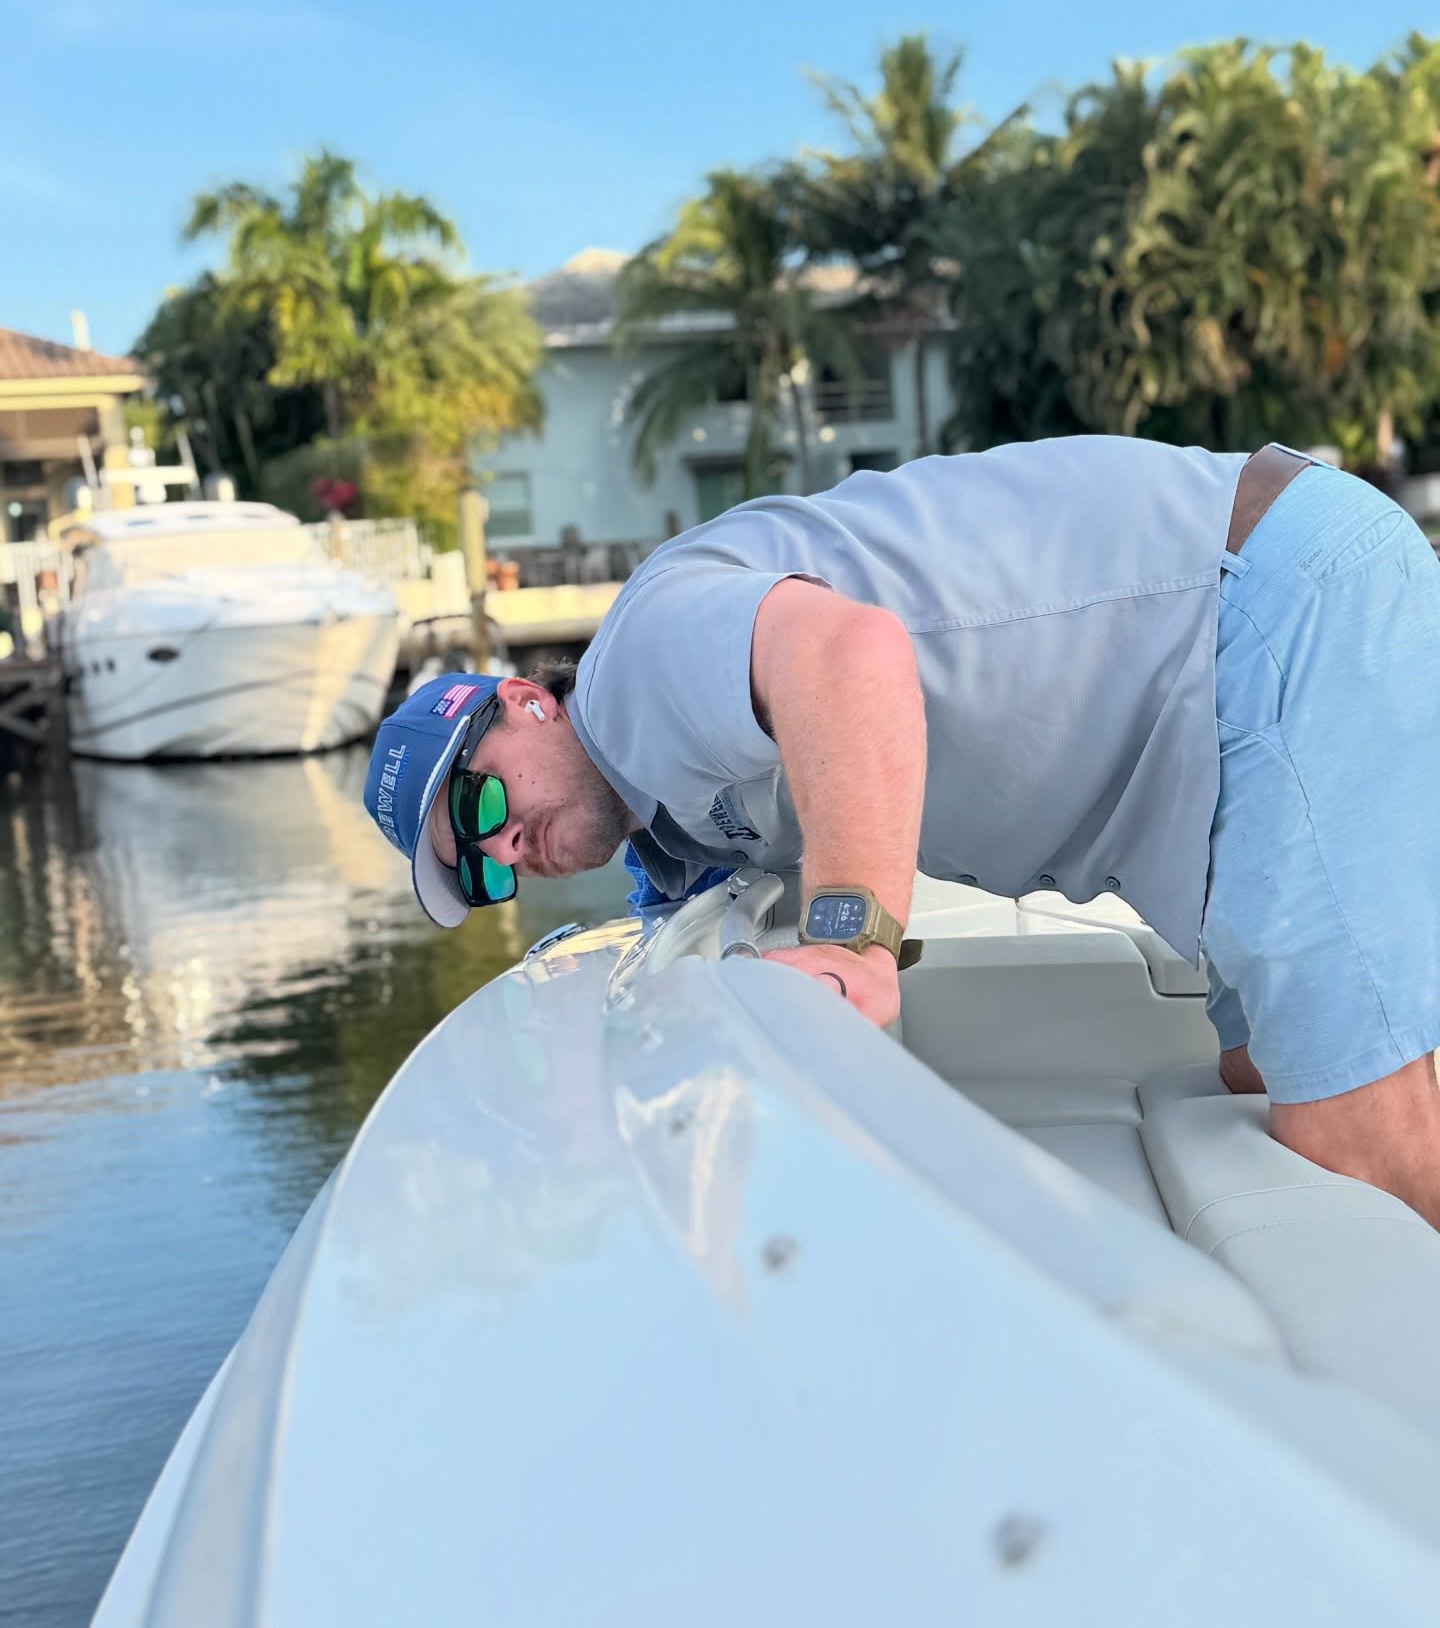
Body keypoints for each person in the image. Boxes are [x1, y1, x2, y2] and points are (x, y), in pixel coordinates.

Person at [364, 438, 1440, 1228]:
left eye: (480, 805)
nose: (504, 852)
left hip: (1256, 620)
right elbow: (680, 888)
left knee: (1359, 1149)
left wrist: (852, 939)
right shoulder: (669, 813)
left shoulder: (632, 672)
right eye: (481, 874)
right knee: (1265, 1075)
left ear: (526, 702)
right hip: (1205, 726)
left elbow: (851, 658)